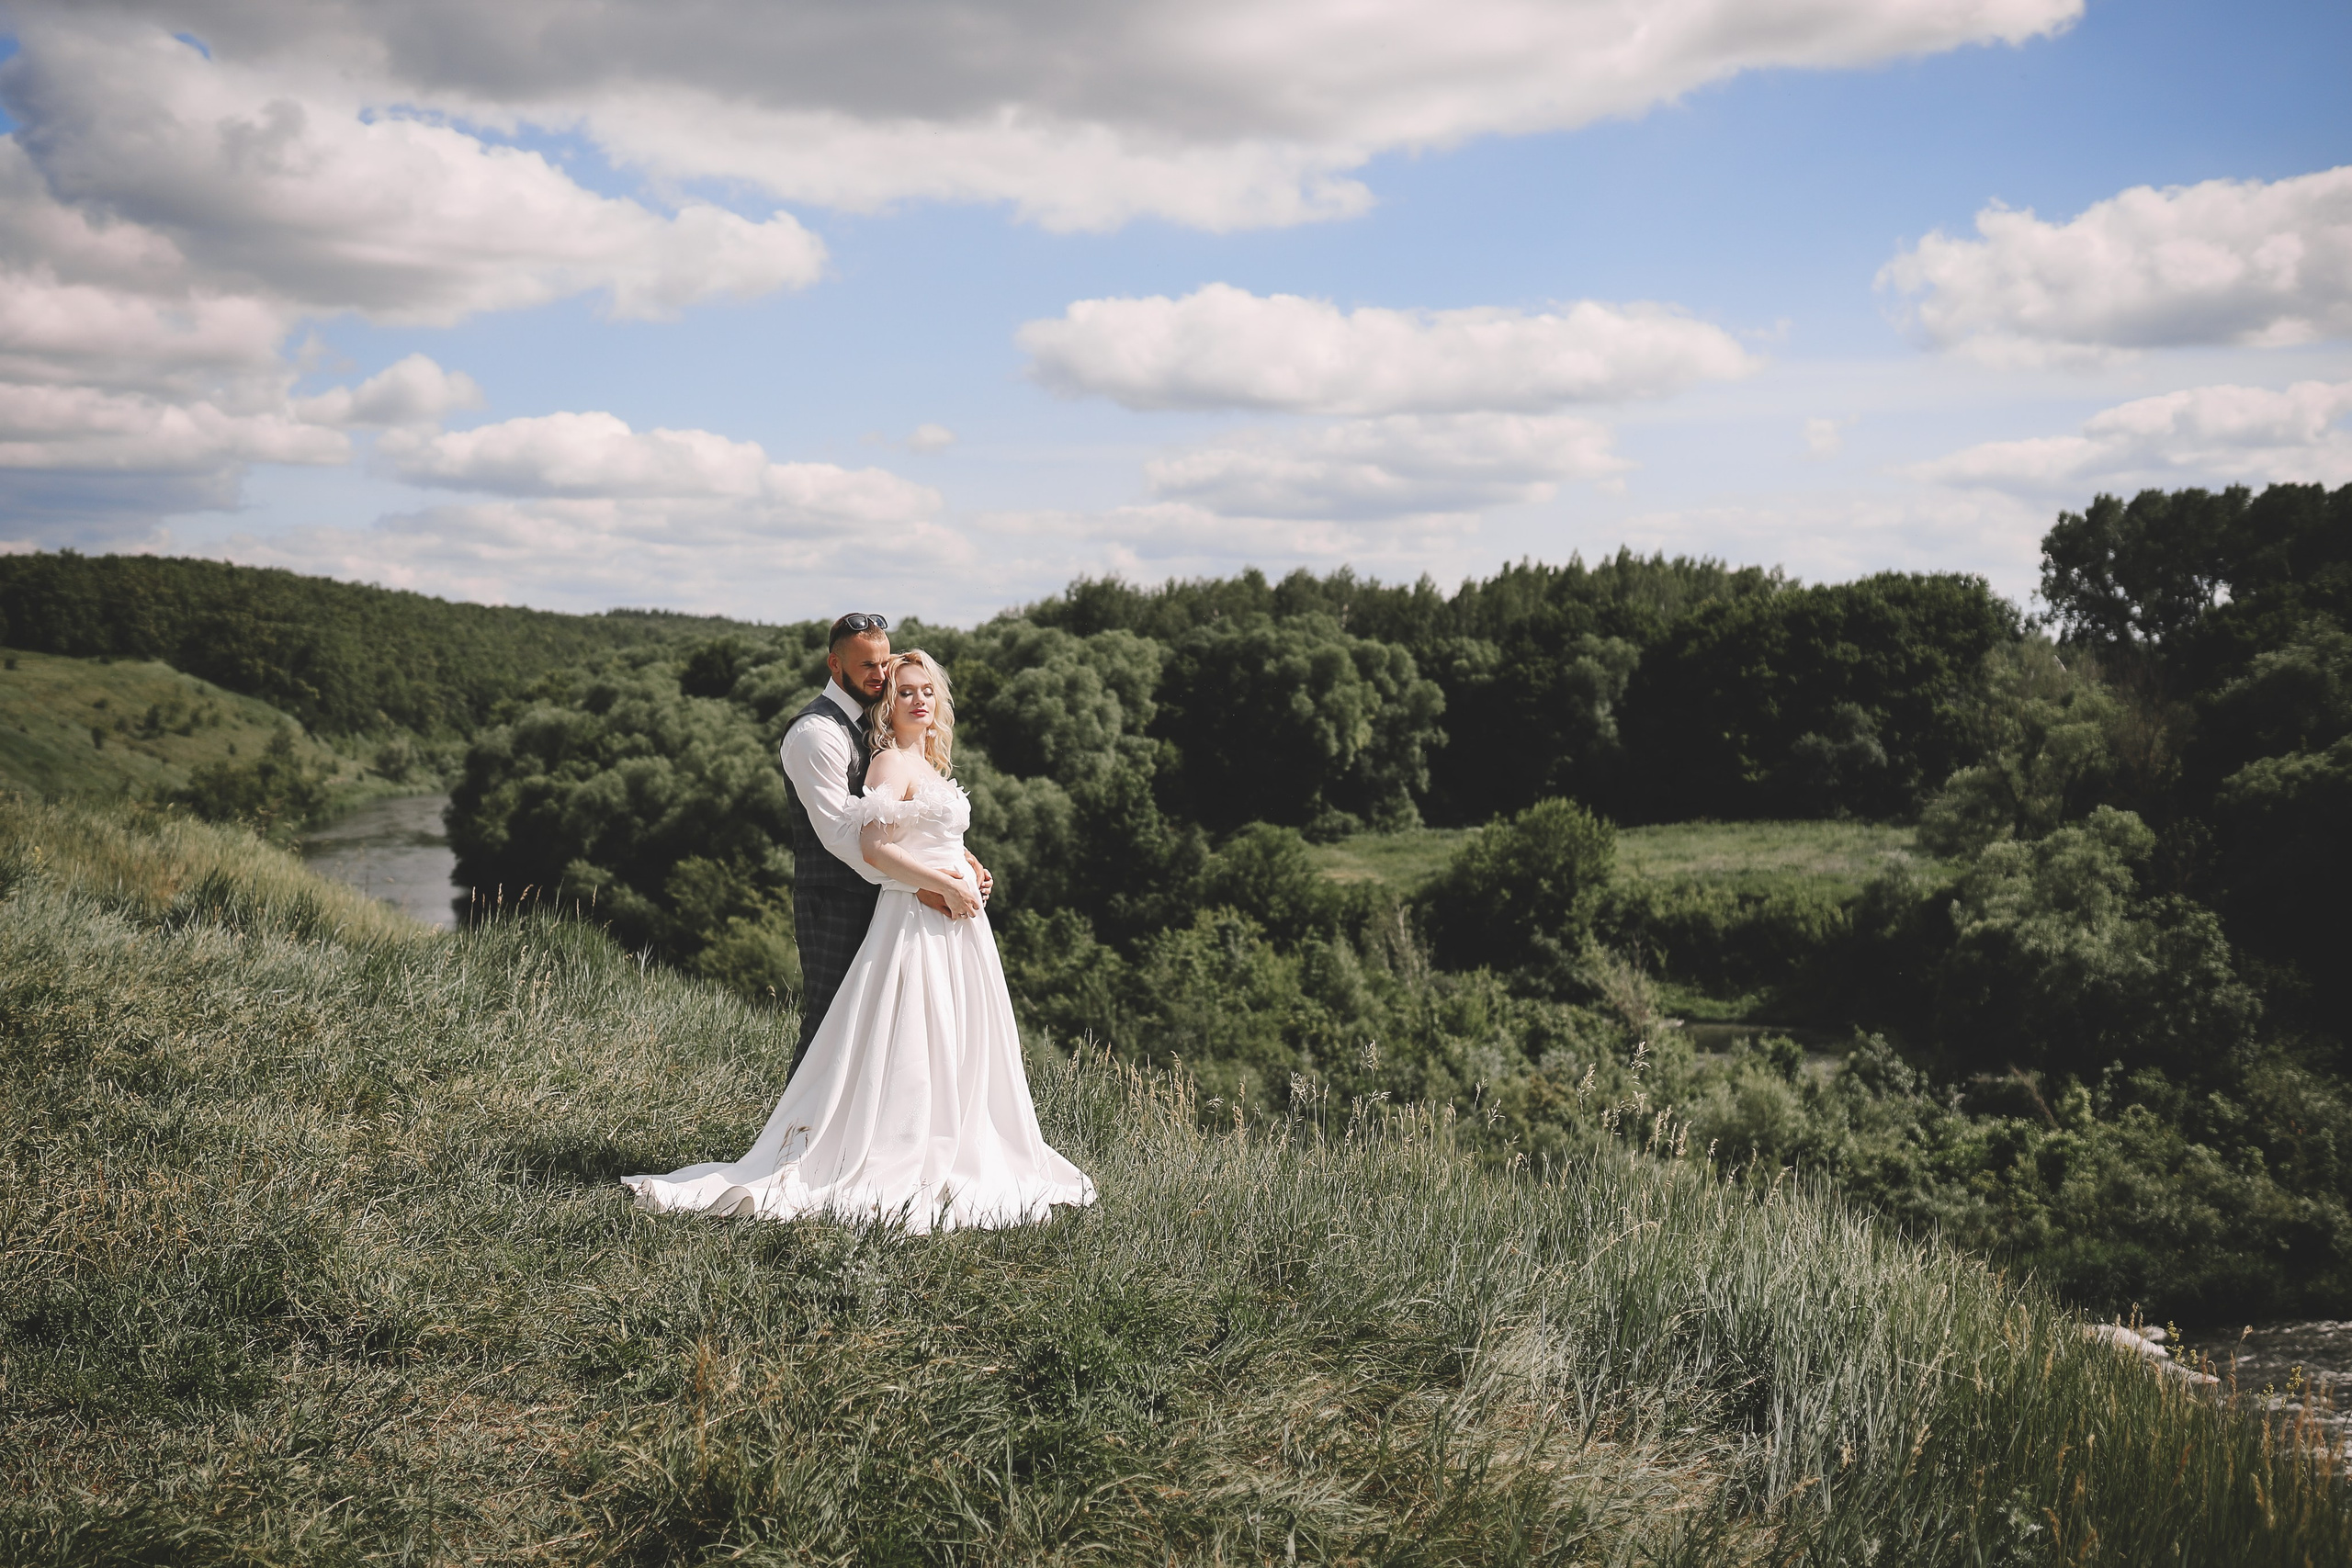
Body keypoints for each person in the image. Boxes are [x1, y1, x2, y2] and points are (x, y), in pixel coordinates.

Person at [622, 649, 1095, 1232]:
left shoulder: (928, 764)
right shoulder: (889, 763)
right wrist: (943, 885)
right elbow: (875, 848)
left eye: (927, 690)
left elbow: (928, 834)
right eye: (905, 692)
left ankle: (957, 1136)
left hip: (959, 925)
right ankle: (891, 1149)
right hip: (918, 918)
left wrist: (970, 865)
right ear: (887, 706)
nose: (918, 700)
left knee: (958, 1036)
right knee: (915, 1036)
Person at [769, 613, 989, 1064]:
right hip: (836, 900)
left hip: (892, 899)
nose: (881, 674)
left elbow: (905, 815)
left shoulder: (875, 723)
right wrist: (922, 884)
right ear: (835, 665)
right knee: (831, 1028)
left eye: (884, 662)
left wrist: (960, 858)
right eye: (867, 665)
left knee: (888, 1032)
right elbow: (839, 834)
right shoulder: (816, 733)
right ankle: (800, 1115)